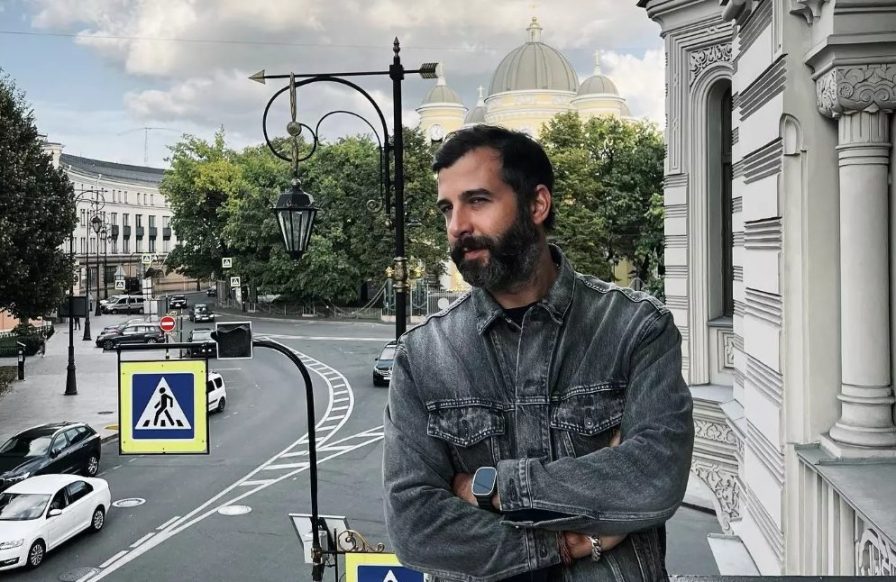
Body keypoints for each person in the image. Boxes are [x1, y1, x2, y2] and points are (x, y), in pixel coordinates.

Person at [383, 125, 694, 581]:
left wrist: (490, 490)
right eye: (447, 208)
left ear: (537, 204)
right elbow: (416, 525)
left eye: (477, 201)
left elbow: (654, 476)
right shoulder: (423, 355)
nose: (457, 226)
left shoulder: (635, 329)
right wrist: (564, 543)